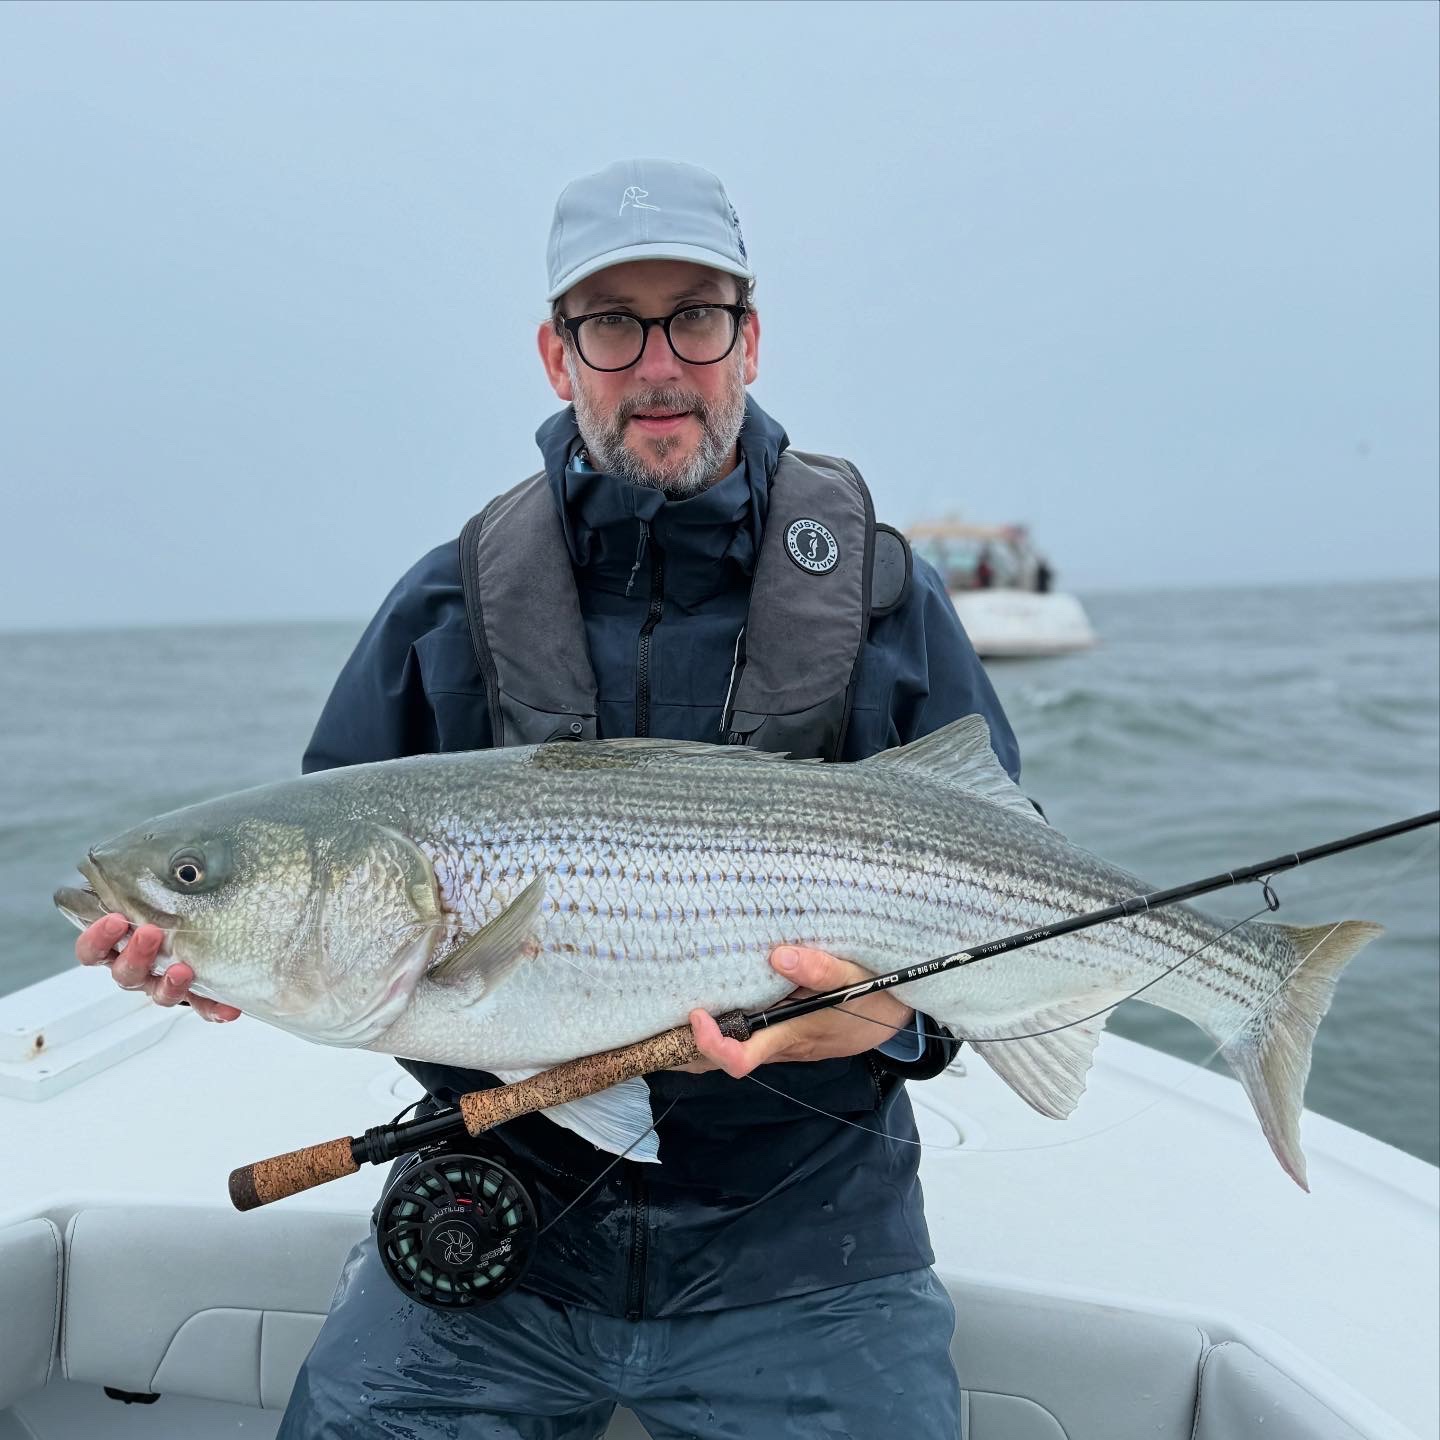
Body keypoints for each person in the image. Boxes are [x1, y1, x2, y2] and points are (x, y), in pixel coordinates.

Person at [75, 159, 1022, 1440]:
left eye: (694, 316)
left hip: (812, 1247)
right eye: (611, 324)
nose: (658, 365)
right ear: (554, 352)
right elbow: (320, 885)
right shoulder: (442, 607)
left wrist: (897, 1021)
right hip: (495, 1227)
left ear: (749, 339)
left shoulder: (882, 594)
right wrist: (212, 949)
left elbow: (1007, 897)